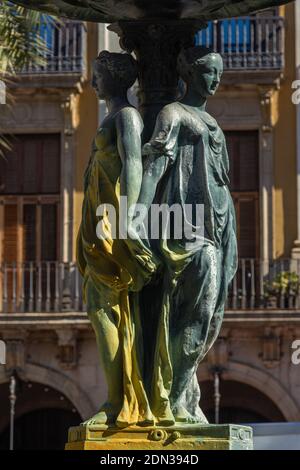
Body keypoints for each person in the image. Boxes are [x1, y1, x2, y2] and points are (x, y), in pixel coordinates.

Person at [138, 46, 238, 423]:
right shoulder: (172, 113)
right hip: (185, 227)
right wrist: (137, 215)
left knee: (211, 317)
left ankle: (182, 392)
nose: (216, 80)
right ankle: (172, 399)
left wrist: (229, 226)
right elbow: (155, 166)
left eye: (219, 73)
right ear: (190, 73)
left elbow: (220, 181)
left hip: (219, 224)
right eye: (210, 72)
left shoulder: (211, 122)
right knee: (195, 312)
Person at [77, 51, 157, 427]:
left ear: (114, 77)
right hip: (98, 228)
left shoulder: (126, 116)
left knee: (103, 309)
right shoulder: (114, 115)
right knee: (104, 310)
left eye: (97, 76)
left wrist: (132, 218)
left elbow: (134, 163)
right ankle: (116, 399)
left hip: (113, 227)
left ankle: (116, 403)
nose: (93, 83)